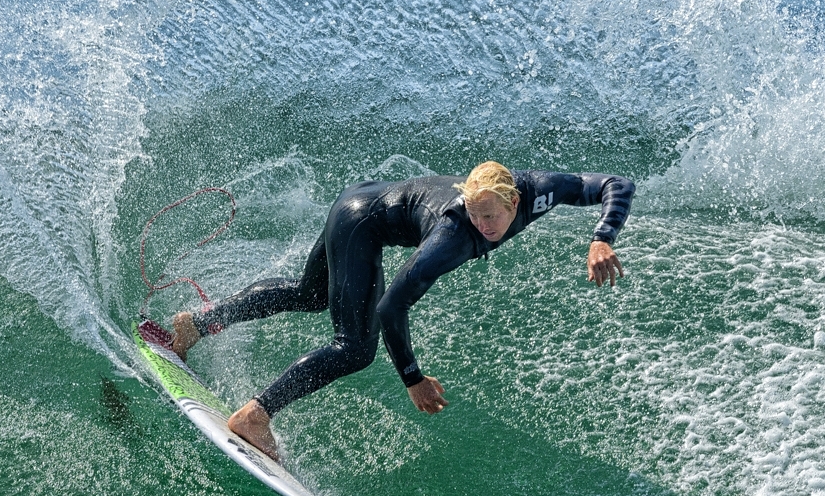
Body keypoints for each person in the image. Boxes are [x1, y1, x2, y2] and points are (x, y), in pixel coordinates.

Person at [138, 161, 634, 461]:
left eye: (491, 215)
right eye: (474, 212)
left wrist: (601, 238)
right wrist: (412, 378)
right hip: (362, 222)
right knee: (354, 347)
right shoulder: (452, 237)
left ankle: (195, 324)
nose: (483, 224)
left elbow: (617, 183)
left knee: (311, 295)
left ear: (515, 201)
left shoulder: (540, 189)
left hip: (357, 200)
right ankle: (254, 415)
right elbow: (392, 304)